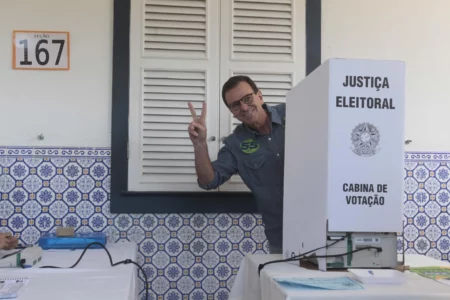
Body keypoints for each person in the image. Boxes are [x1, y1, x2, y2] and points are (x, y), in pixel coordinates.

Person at [187, 75, 286, 254]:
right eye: (235, 105)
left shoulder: (297, 112)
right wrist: (199, 144)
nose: (244, 107)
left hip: (324, 225)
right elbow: (209, 181)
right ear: (232, 111)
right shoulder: (235, 144)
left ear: (260, 95)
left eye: (247, 98)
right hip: (281, 237)